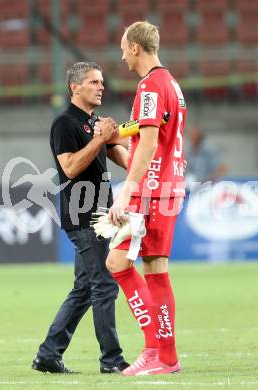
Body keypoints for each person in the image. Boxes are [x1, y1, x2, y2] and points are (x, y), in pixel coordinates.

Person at [32, 61, 129, 374]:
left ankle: (48, 355)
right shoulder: (64, 124)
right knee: (104, 285)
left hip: (100, 215)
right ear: (75, 87)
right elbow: (70, 167)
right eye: (93, 82)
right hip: (82, 215)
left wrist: (143, 145)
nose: (101, 87)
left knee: (86, 288)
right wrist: (102, 139)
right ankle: (111, 361)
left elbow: (124, 157)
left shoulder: (95, 123)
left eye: (101, 82)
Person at [104, 21, 187, 376]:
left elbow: (151, 142)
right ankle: (160, 352)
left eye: (124, 48)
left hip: (153, 190)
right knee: (138, 266)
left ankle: (160, 353)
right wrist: (119, 131)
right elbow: (151, 130)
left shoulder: (150, 86)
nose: (122, 56)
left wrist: (127, 190)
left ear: (135, 47)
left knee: (131, 265)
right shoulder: (170, 84)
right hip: (168, 185)